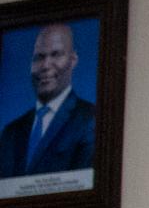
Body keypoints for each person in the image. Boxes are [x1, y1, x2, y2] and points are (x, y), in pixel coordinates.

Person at [0, 23, 96, 176]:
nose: (45, 65)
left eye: (56, 55)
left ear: (73, 60)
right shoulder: (11, 133)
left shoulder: (91, 119)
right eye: (39, 57)